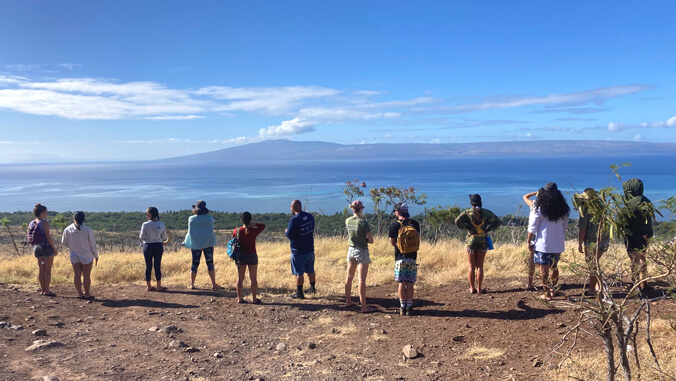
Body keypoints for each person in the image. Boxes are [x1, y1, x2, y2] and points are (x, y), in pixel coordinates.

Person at [526, 182, 570, 300]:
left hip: (542, 243)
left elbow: (532, 227)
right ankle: (553, 290)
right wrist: (561, 238)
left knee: (543, 269)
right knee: (554, 267)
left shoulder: (539, 207)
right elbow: (564, 227)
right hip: (557, 243)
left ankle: (546, 293)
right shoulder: (564, 208)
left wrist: (529, 241)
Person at [455, 194, 502, 294]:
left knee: (471, 266)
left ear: (471, 203)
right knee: (480, 266)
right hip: (482, 241)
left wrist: (467, 228)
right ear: (480, 201)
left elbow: (457, 221)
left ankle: (472, 288)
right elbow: (497, 222)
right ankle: (479, 288)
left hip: (471, 241)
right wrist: (487, 230)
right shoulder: (486, 212)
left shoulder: (467, 212)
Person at [572, 189, 610, 296]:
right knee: (596, 264)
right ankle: (599, 286)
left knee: (592, 266)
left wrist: (580, 244)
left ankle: (592, 289)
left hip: (591, 241)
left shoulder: (585, 211)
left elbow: (583, 230)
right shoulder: (603, 208)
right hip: (604, 240)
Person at [389, 203, 421, 316]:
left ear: (397, 212)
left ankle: (402, 307)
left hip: (400, 258)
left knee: (401, 283)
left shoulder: (394, 226)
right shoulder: (415, 224)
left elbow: (392, 242)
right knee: (411, 283)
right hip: (412, 258)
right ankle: (410, 306)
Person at [622, 178, 654, 292]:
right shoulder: (647, 200)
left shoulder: (630, 203)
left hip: (633, 234)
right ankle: (643, 282)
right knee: (642, 257)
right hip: (646, 233)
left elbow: (624, 220)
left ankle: (636, 284)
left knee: (634, 259)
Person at [344, 200, 375, 313]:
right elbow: (370, 240)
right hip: (361, 251)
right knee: (361, 280)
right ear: (361, 208)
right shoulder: (363, 222)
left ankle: (348, 301)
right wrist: (365, 239)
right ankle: (363, 306)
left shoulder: (348, 221)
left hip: (351, 250)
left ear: (352, 209)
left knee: (349, 277)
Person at [183, 200, 220, 290]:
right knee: (210, 263)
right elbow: (209, 233)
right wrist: (204, 244)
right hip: (208, 244)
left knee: (194, 264)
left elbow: (191, 233)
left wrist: (198, 244)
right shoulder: (210, 219)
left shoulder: (191, 219)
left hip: (196, 245)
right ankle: (214, 284)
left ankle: (192, 284)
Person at [61, 211, 98, 299]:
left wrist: (72, 247)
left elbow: (63, 242)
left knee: (77, 275)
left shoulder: (67, 229)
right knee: (86, 275)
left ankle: (80, 293)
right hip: (87, 255)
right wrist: (96, 255)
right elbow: (93, 245)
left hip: (74, 255)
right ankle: (87, 294)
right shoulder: (87, 230)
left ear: (74, 219)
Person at [285, 200, 316, 299]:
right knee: (310, 270)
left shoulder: (294, 220)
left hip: (298, 251)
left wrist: (286, 231)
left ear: (293, 208)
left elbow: (289, 234)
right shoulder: (310, 216)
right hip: (310, 249)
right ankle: (312, 288)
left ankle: (299, 293)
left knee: (299, 272)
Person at [233, 212, 265, 304]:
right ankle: (254, 299)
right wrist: (254, 224)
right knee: (253, 278)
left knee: (240, 278)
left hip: (241, 256)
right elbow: (263, 226)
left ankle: (239, 298)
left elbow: (233, 240)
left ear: (241, 220)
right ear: (250, 220)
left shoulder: (237, 230)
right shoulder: (254, 231)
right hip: (252, 255)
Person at [28, 203, 59, 297]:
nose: (47, 214)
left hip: (37, 248)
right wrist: (54, 248)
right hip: (46, 248)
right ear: (42, 213)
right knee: (48, 270)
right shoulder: (44, 223)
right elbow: (48, 238)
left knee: (41, 269)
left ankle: (42, 290)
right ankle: (47, 290)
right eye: (46, 212)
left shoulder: (32, 223)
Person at [139, 207, 168, 292]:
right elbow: (164, 237)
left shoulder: (145, 224)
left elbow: (141, 237)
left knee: (148, 266)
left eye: (146, 213)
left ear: (150, 214)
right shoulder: (162, 224)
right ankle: (159, 286)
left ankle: (149, 286)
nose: (146, 215)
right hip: (158, 246)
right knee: (157, 266)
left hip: (147, 246)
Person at [522, 191, 538, 290]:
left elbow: (525, 196)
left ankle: (530, 283)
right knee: (551, 264)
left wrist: (536, 192)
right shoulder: (554, 206)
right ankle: (550, 286)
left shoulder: (534, 206)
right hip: (550, 238)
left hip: (535, 237)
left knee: (532, 261)